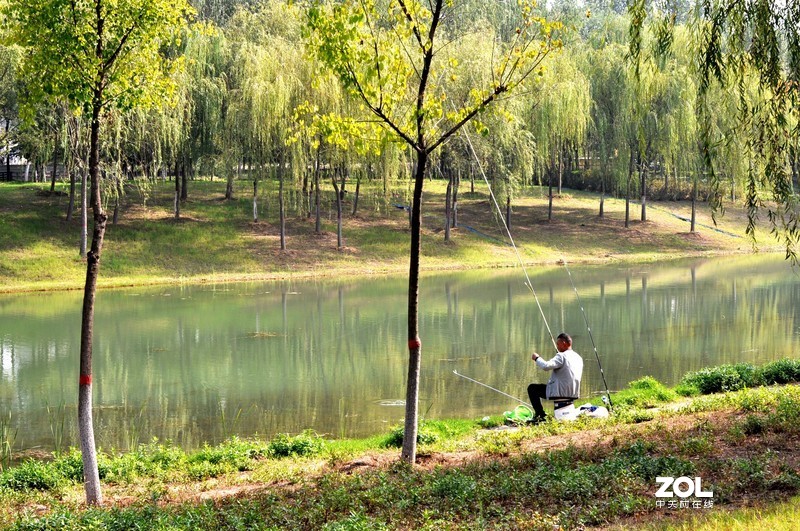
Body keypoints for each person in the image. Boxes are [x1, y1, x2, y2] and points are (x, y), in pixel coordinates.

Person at [527, 332, 583, 423]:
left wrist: (537, 358)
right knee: (538, 388)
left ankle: (541, 415)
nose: (557, 347)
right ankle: (541, 415)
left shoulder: (561, 356)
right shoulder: (578, 357)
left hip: (560, 392)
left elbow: (546, 366)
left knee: (532, 388)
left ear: (564, 343)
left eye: (558, 344)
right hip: (573, 393)